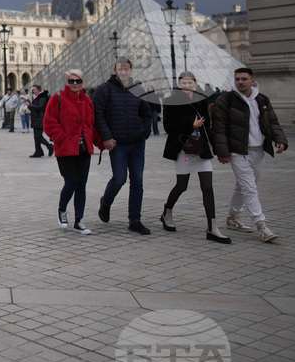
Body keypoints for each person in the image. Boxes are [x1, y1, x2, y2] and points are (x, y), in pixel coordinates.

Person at [211, 67, 288, 243]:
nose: (240, 82)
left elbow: (272, 121)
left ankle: (232, 217)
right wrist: (223, 152)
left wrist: (280, 139)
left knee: (243, 186)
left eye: (244, 79)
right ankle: (262, 225)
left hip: (258, 150)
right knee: (249, 188)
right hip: (238, 151)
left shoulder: (261, 99)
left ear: (252, 81)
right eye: (237, 79)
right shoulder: (226, 99)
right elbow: (219, 128)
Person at [160, 72, 230, 244]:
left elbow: (208, 126)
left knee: (207, 187)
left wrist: (217, 148)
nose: (187, 85)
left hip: (201, 148)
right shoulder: (172, 100)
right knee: (181, 186)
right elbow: (168, 126)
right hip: (182, 148)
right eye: (184, 82)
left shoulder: (201, 100)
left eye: (190, 82)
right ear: (179, 84)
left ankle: (212, 227)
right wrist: (190, 125)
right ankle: (167, 211)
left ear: (195, 83)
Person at [94, 58, 154, 235]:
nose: (124, 72)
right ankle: (106, 202)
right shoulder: (104, 89)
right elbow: (98, 116)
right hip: (117, 143)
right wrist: (106, 137)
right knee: (119, 179)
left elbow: (147, 113)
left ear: (131, 70)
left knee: (137, 181)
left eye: (127, 69)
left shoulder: (138, 90)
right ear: (115, 70)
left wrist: (145, 132)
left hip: (137, 142)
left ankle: (135, 220)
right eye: (120, 69)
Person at [43, 69, 100, 234]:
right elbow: (49, 123)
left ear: (82, 82)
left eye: (78, 81)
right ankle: (62, 209)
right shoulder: (58, 99)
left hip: (84, 149)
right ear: (67, 83)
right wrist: (62, 137)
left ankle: (79, 221)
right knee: (71, 182)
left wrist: (101, 142)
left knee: (81, 185)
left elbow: (91, 125)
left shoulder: (87, 101)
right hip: (66, 149)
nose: (75, 84)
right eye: (71, 81)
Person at [28, 84, 54, 158]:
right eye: (33, 90)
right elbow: (33, 108)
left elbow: (40, 107)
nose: (33, 91)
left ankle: (50, 146)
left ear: (39, 90)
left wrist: (30, 105)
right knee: (36, 136)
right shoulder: (35, 97)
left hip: (40, 118)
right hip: (35, 118)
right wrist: (29, 106)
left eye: (34, 90)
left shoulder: (43, 97)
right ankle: (38, 151)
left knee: (38, 136)